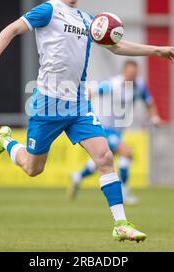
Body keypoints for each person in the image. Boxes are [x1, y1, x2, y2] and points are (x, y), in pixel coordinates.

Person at [0, 0, 174, 242]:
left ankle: (121, 224)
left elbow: (116, 45)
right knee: (34, 168)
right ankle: (6, 142)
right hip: (48, 103)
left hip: (77, 105)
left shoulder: (88, 21)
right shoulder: (48, 11)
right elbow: (10, 30)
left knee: (105, 156)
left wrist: (156, 50)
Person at [68, 60, 163, 205]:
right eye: (129, 72)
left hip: (118, 131)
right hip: (105, 128)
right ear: (124, 71)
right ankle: (124, 193)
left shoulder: (139, 86)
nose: (132, 75)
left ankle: (77, 176)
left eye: (134, 72)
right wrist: (83, 111)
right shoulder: (112, 85)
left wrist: (155, 117)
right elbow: (91, 92)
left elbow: (149, 103)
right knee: (126, 153)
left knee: (101, 161)